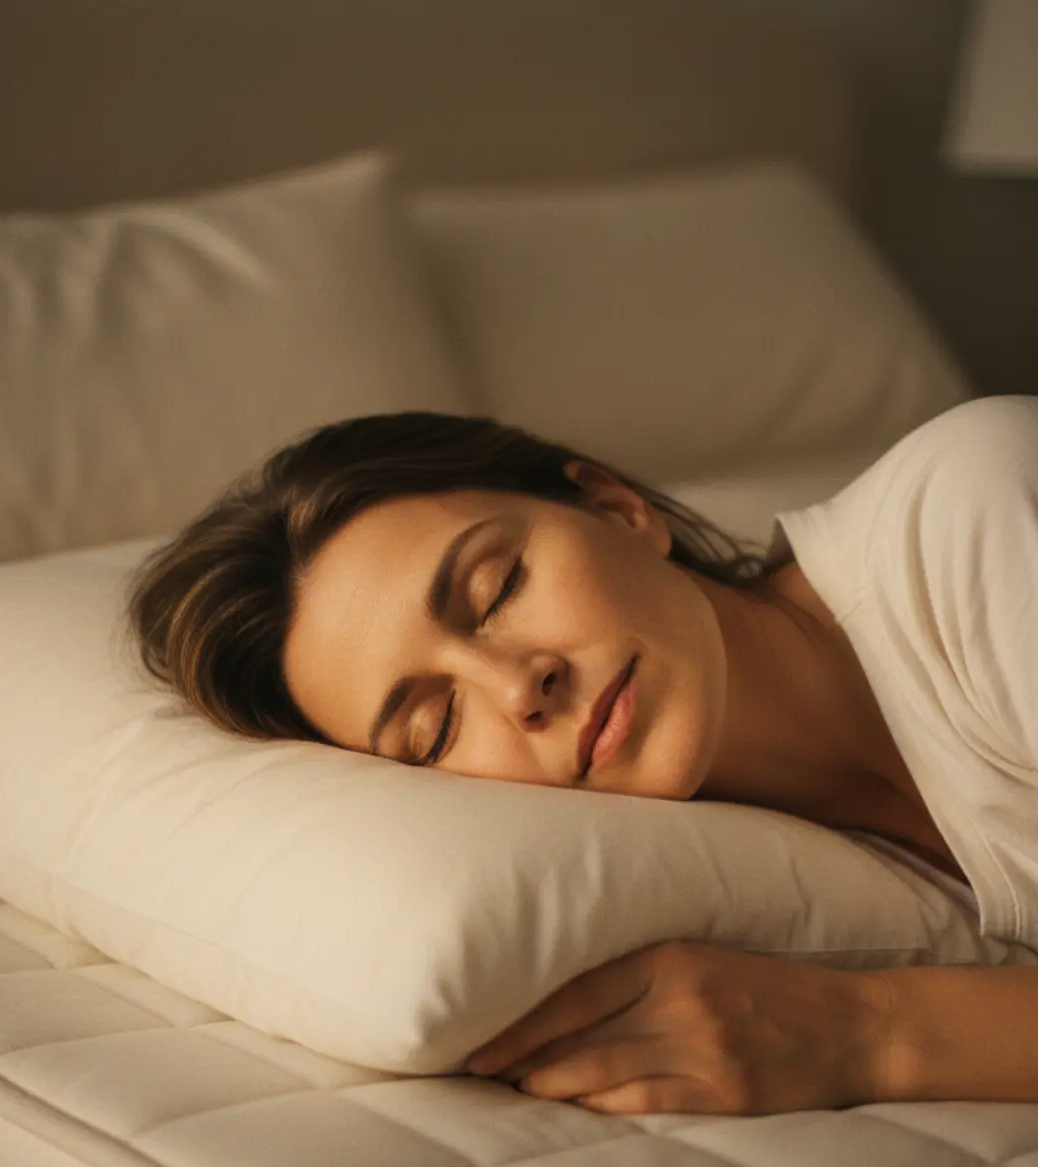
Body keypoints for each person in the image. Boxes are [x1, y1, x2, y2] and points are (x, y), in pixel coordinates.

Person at [129, 396, 1038, 1116]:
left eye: (498, 587)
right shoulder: (783, 871)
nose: (519, 685)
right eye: (435, 728)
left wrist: (865, 1033)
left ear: (618, 508)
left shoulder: (978, 509)